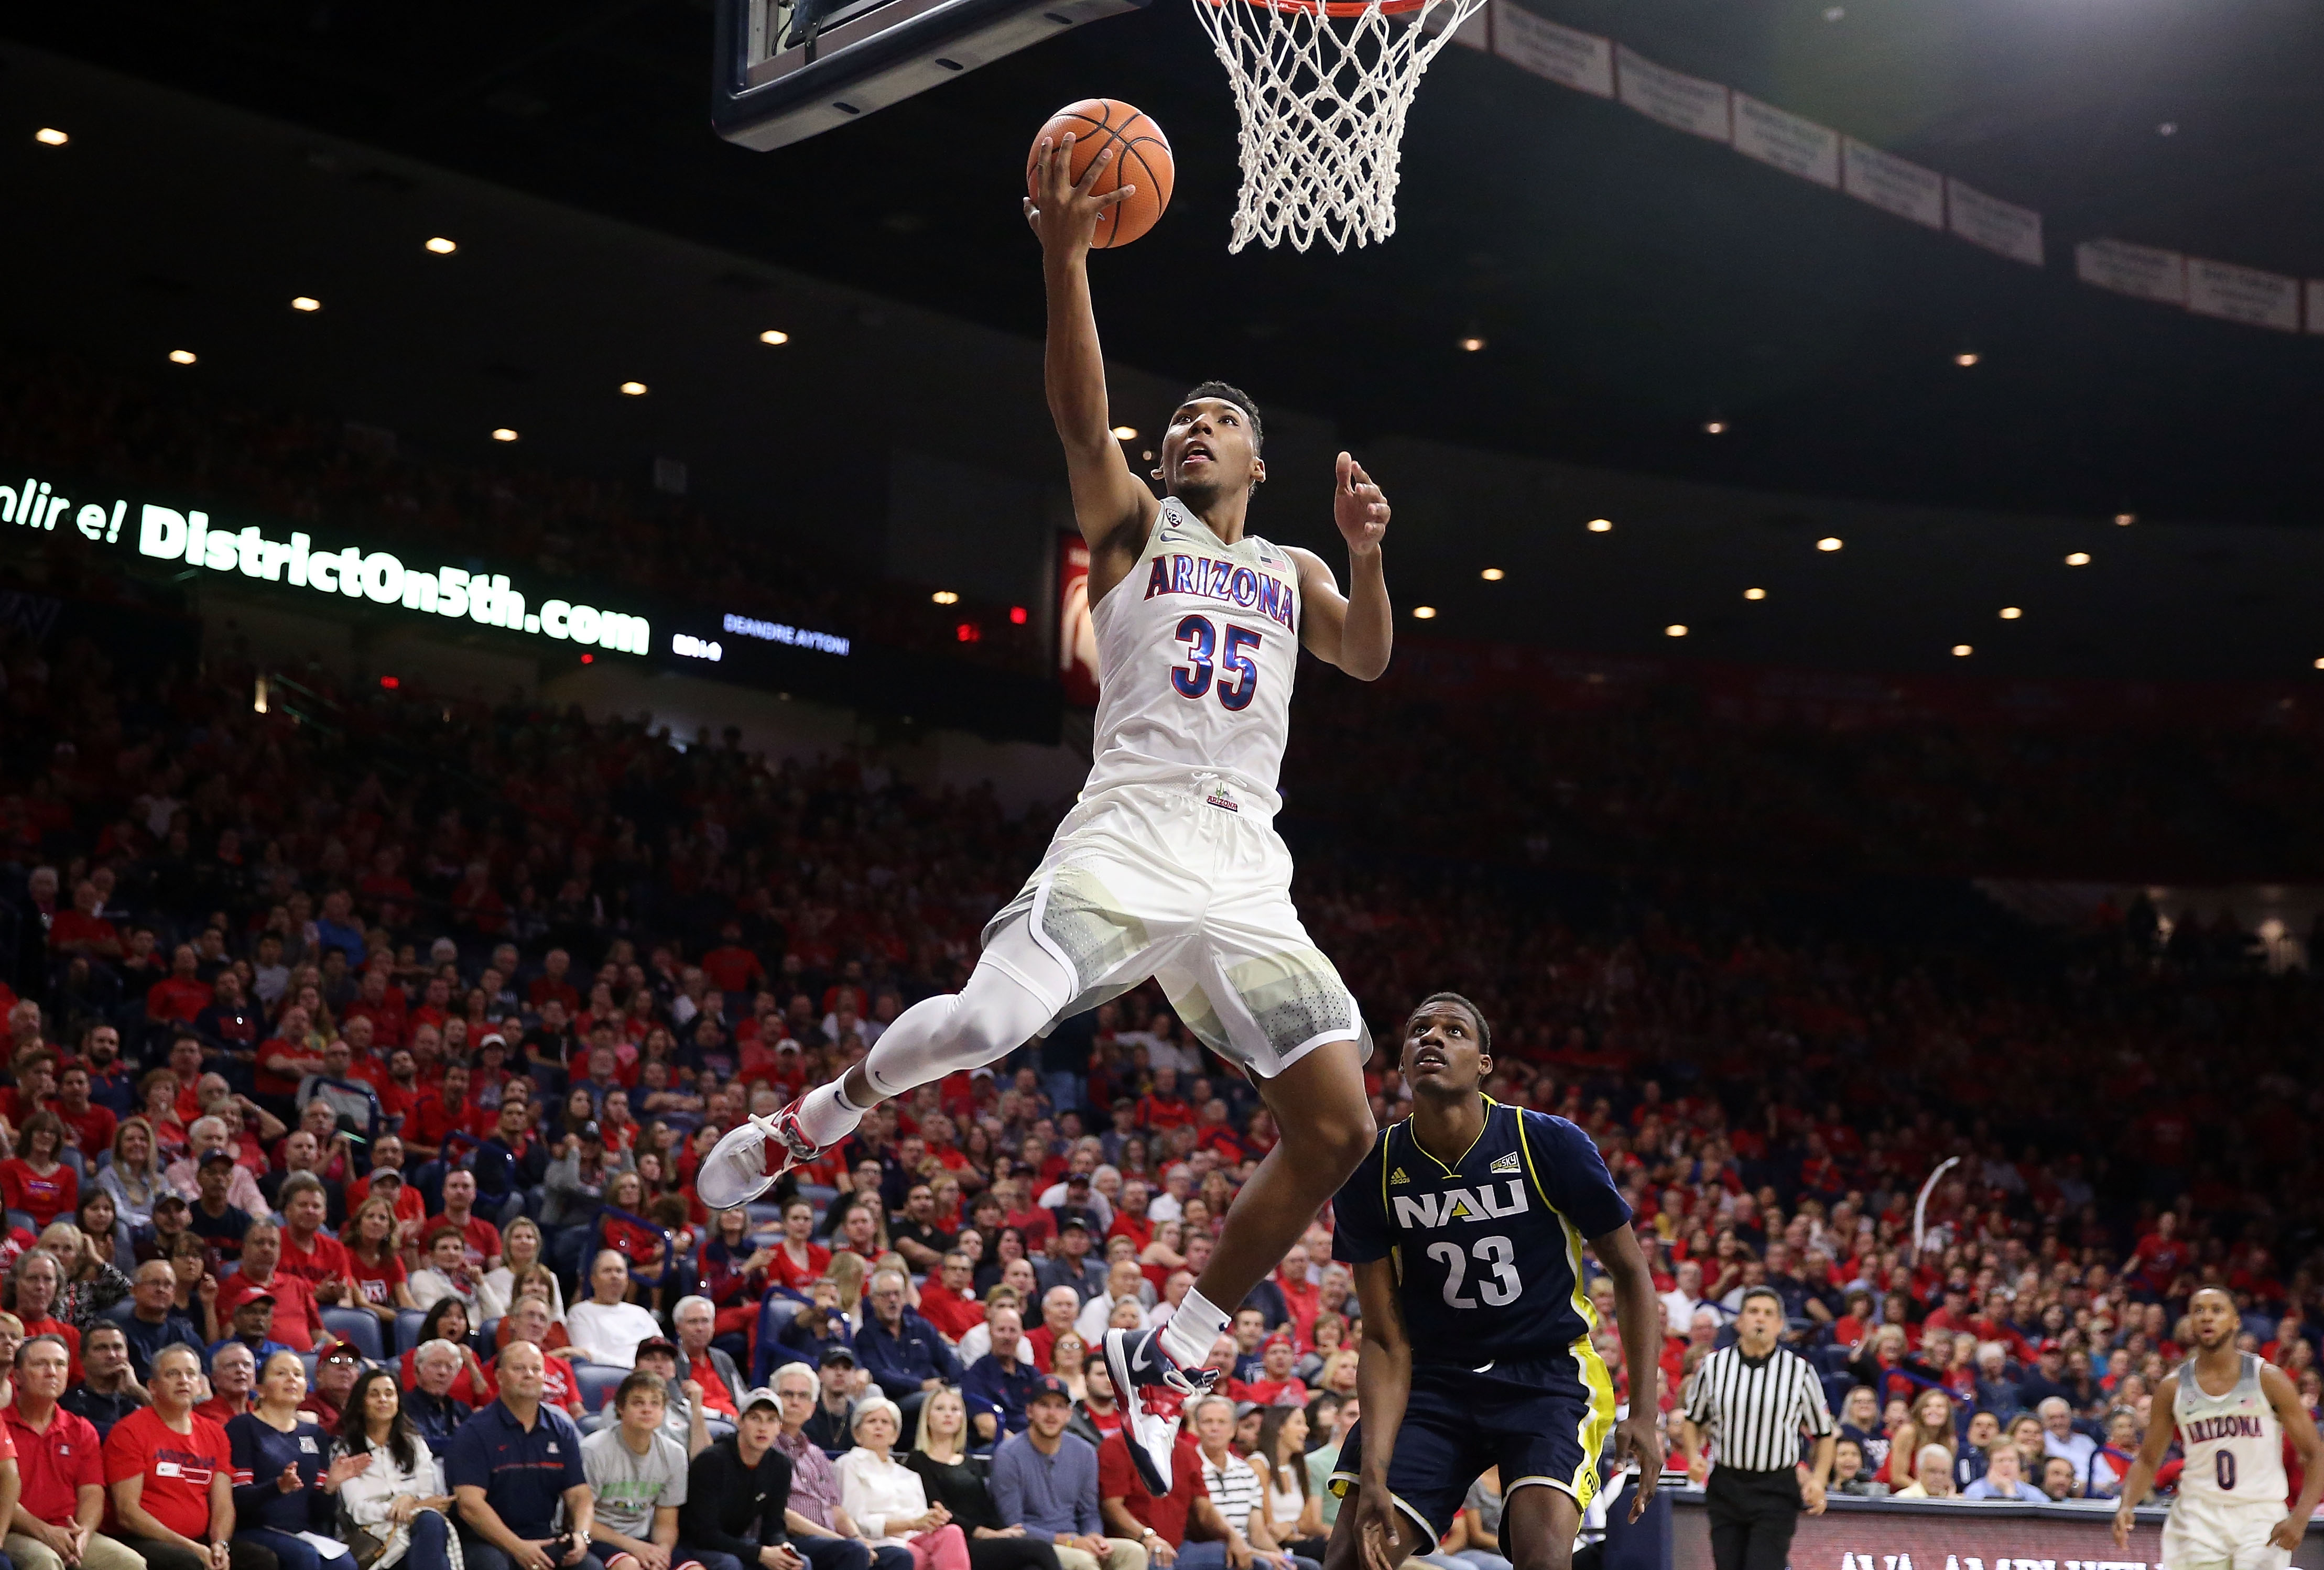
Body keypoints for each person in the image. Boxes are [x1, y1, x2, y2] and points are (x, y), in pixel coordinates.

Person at [699, 130, 1400, 1500]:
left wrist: (1370, 556)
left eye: (1219, 419)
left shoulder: (1292, 559)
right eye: (1184, 417)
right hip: (1126, 837)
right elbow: (1084, 421)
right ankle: (821, 1117)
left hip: (1245, 866)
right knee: (980, 1026)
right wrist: (1069, 258)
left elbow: (1366, 656)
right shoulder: (1137, 525)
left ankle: (1182, 1341)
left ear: (1259, 455)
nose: (1192, 427)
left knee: (1336, 1129)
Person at [1322, 996, 1663, 1570]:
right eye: (1418, 1031)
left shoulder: (1548, 1143)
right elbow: (1383, 1338)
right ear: (1401, 1062)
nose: (1432, 1038)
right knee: (1350, 1559)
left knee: (1543, 1557)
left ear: (1484, 1062)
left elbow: (1631, 1273)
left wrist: (1646, 1414)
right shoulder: (1371, 1167)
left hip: (1546, 1373)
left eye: (1453, 1030)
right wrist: (1374, 1474)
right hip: (1434, 1377)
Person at [2111, 1286, 2324, 1566]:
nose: (2206, 1317)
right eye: (2198, 1311)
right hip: (2197, 1516)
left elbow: (2313, 1453)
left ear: (2236, 1321)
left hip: (2259, 1513)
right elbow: (2149, 1459)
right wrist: (2127, 1505)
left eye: (2217, 1310)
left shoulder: (2269, 1379)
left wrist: (2300, 1518)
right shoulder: (2173, 1387)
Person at [1674, 1286, 1838, 1570]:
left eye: (1768, 1314)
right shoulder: (1714, 1366)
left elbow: (1824, 1434)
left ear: (1779, 1325)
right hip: (1727, 1485)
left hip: (1776, 1487)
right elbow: (1693, 1419)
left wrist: (1818, 1480)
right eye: (1753, 1312)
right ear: (1739, 1322)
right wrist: (1693, 1457)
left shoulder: (1800, 1371)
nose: (1759, 1320)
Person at [448, 1338, 604, 1570]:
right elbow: (470, 1505)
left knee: (589, 1567)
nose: (529, 1375)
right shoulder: (474, 1432)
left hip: (542, 1537)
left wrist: (581, 1535)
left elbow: (580, 1495)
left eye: (536, 1369)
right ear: (500, 1377)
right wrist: (517, 1547)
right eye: (519, 1368)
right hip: (484, 1541)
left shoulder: (562, 1428)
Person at [101, 1341, 254, 1570]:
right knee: (187, 1563)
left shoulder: (215, 1433)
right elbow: (127, 1513)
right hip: (143, 1538)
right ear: (152, 1386)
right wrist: (191, 1548)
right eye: (173, 1374)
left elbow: (223, 1503)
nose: (183, 1380)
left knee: (259, 1559)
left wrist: (220, 1545)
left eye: (190, 1374)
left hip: (200, 1541)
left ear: (201, 1385)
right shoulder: (129, 1431)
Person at [5, 1333, 145, 1570]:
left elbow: (92, 1492)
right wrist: (44, 1531)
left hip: (70, 1531)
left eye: (60, 1364)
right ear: (17, 1376)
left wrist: (83, 1535)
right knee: (45, 1562)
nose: (52, 1372)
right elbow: (2, 1494)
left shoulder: (80, 1429)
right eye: (41, 1364)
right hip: (14, 1529)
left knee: (130, 1563)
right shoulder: (2, 1424)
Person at [225, 1349, 371, 1570]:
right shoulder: (243, 1427)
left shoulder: (316, 1434)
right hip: (255, 1529)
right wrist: (278, 1487)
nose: (291, 1379)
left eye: (298, 1374)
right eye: (281, 1373)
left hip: (303, 1532)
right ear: (261, 1389)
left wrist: (331, 1486)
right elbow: (238, 1499)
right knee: (304, 1557)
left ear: (306, 1387)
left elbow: (320, 1513)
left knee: (345, 1565)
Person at [992, 1375, 1143, 1570]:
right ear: (1029, 1411)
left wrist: (1093, 1536)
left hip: (1076, 1541)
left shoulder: (1085, 1452)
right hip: (1032, 1546)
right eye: (1044, 1405)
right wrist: (1069, 1541)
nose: (1052, 1414)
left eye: (1060, 1406)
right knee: (1084, 1562)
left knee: (1134, 1552)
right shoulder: (1008, 1455)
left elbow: (1089, 1512)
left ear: (1069, 1414)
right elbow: (1014, 1526)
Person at [769, 1361, 910, 1570]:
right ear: (774, 1401)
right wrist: (842, 1540)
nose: (795, 1402)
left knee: (898, 1557)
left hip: (832, 1540)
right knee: (852, 1552)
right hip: (792, 1538)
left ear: (812, 1409)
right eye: (788, 1395)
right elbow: (781, 1514)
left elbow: (836, 1509)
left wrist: (856, 1537)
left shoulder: (816, 1454)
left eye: (803, 1396)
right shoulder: (767, 1448)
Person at [905, 1386, 1060, 1570]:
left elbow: (987, 1506)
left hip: (987, 1540)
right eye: (940, 1409)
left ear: (962, 1418)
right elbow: (940, 1510)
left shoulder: (970, 1462)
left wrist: (1004, 1532)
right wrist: (985, 1533)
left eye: (955, 1410)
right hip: (957, 1543)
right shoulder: (918, 1460)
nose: (948, 1415)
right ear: (927, 1417)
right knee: (1040, 1549)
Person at [584, 1369, 720, 1570]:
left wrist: (662, 1552)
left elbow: (665, 1522)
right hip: (598, 1536)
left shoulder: (675, 1454)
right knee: (629, 1566)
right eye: (638, 1403)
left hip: (644, 1537)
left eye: (655, 1403)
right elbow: (579, 1520)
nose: (647, 1409)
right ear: (620, 1408)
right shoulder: (594, 1450)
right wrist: (635, 1547)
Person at [332, 1367, 458, 1570]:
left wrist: (410, 1503)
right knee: (430, 1534)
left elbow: (430, 1495)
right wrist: (400, 1509)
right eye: (374, 1394)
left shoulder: (415, 1445)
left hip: (417, 1530)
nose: (383, 1399)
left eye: (389, 1394)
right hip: (373, 1537)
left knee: (430, 1523)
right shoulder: (346, 1451)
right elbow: (358, 1511)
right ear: (361, 1404)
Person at [681, 1385, 809, 1570]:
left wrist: (783, 1546)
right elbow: (704, 1533)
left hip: (737, 1544)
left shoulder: (780, 1465)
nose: (763, 1428)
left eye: (771, 1420)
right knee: (730, 1565)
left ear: (779, 1427)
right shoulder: (712, 1461)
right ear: (740, 1422)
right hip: (694, 1545)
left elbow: (773, 1525)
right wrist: (759, 1553)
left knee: (799, 1563)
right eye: (755, 1418)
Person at [835, 1397, 971, 1570]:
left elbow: (920, 1521)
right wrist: (912, 1524)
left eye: (885, 1422)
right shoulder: (848, 1464)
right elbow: (857, 1520)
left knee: (952, 1533)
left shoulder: (908, 1475)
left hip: (914, 1538)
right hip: (878, 1541)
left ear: (895, 1436)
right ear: (857, 1434)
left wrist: (934, 1519)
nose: (879, 1427)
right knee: (917, 1555)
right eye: (871, 1421)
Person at [1187, 1397, 1301, 1570]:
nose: (1215, 1428)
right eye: (1207, 1422)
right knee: (1264, 1566)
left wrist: (1281, 1558)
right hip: (1215, 1551)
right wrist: (1262, 1555)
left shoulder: (1246, 1472)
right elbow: (1204, 1530)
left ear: (1233, 1430)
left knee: (1305, 1567)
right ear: (1196, 1428)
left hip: (1249, 1549)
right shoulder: (1189, 1468)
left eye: (1222, 1422)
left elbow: (1258, 1533)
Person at [570, 1250, 664, 1369]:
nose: (614, 1276)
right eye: (607, 1271)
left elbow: (661, 1347)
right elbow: (588, 1354)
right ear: (593, 1280)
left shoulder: (641, 1313)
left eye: (619, 1271)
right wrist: (635, 1368)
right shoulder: (580, 1313)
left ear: (627, 1279)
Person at [963, 1307, 1042, 1446]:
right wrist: (1024, 1449)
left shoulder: (1033, 1375)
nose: (1007, 1337)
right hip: (997, 1447)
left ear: (1022, 1334)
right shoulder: (976, 1374)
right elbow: (986, 1428)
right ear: (990, 1332)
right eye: (1001, 1330)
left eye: (1013, 1330)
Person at [121, 1258, 206, 1383]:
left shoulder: (188, 1338)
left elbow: (203, 1381)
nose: (161, 1289)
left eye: (167, 1285)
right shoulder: (120, 1336)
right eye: (154, 1283)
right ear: (134, 1290)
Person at [61, 1321, 147, 1439]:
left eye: (118, 1348)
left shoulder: (139, 1400)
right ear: (82, 1358)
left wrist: (137, 1390)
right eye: (101, 1348)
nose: (111, 1355)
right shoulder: (68, 1403)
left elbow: (170, 1426)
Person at [195, 1342, 255, 1427]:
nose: (241, 1370)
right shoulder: (204, 1414)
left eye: (247, 1365)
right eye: (231, 1365)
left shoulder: (261, 1411)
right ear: (214, 1379)